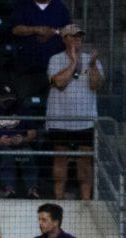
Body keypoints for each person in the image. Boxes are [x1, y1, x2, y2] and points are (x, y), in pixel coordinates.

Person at [46, 24, 101, 200]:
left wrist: (91, 65)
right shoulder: (55, 59)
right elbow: (59, 82)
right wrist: (74, 62)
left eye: (79, 36)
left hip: (85, 120)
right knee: (60, 158)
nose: (77, 39)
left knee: (85, 160)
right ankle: (59, 200)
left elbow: (96, 85)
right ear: (64, 39)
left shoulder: (92, 60)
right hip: (60, 119)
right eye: (73, 36)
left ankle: (86, 201)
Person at [0, 84, 40, 199]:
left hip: (20, 145)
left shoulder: (22, 110)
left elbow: (33, 132)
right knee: (7, 154)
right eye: (6, 99)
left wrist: (23, 139)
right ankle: (9, 188)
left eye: (11, 98)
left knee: (27, 153)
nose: (9, 102)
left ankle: (32, 189)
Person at [9, 0, 71, 100]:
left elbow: (70, 30)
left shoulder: (60, 7)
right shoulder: (23, 6)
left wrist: (53, 31)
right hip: (28, 70)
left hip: (56, 71)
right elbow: (15, 29)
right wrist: (36, 29)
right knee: (24, 103)